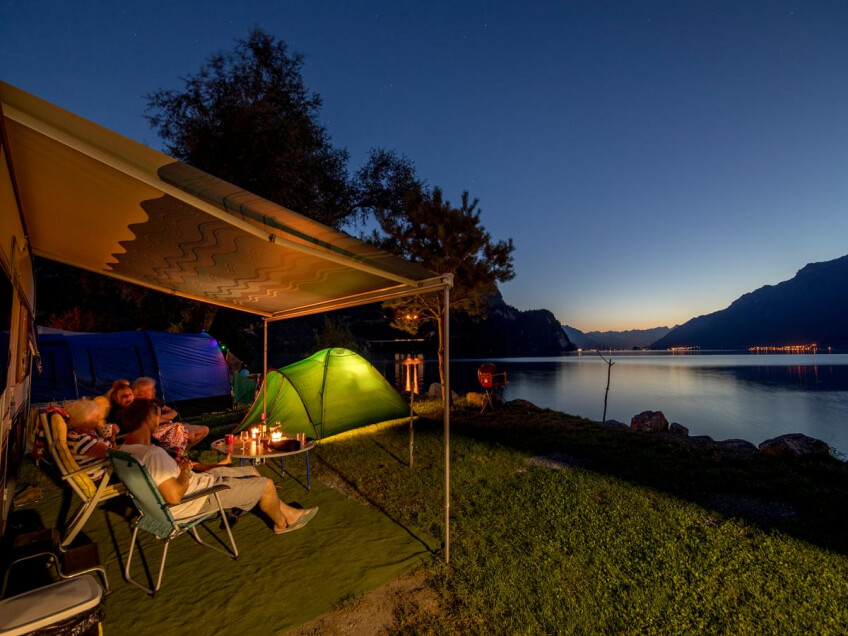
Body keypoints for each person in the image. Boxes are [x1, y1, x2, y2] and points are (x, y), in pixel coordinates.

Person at [119, 399, 317, 533]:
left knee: (251, 471)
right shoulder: (152, 454)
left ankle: (288, 512)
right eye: (157, 417)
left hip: (194, 487)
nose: (159, 422)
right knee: (266, 485)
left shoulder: (125, 450)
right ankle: (281, 524)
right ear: (147, 420)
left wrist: (181, 467)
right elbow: (174, 497)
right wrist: (185, 470)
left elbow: (162, 479)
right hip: (197, 499)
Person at [131, 377, 209, 450]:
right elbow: (153, 422)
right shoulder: (139, 406)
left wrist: (165, 413)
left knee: (205, 429)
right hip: (161, 433)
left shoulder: (154, 402)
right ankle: (177, 453)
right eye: (150, 389)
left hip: (173, 425)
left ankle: (181, 452)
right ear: (141, 393)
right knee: (190, 435)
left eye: (153, 388)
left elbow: (171, 414)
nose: (154, 391)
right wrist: (167, 416)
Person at [61, 400, 119, 480]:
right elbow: (115, 457)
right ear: (84, 419)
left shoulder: (77, 434)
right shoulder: (81, 441)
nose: (98, 419)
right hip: (104, 476)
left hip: (107, 469)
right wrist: (112, 437)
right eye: (95, 417)